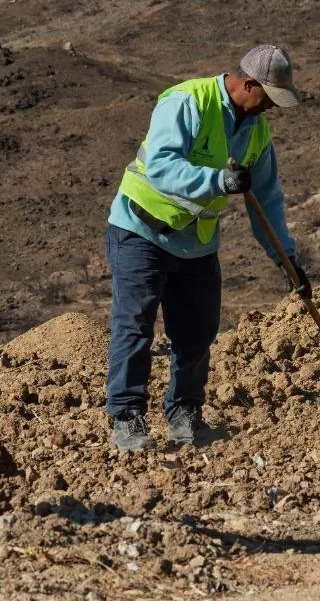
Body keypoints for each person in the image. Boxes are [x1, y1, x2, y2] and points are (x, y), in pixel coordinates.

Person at [106, 45, 309, 451]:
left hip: (196, 244)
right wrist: (218, 181)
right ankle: (126, 419)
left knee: (197, 332)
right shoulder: (187, 101)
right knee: (136, 327)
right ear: (248, 83)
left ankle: (185, 415)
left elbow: (267, 200)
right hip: (142, 230)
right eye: (267, 97)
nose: (270, 107)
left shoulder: (257, 131)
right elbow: (162, 165)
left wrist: (285, 259)